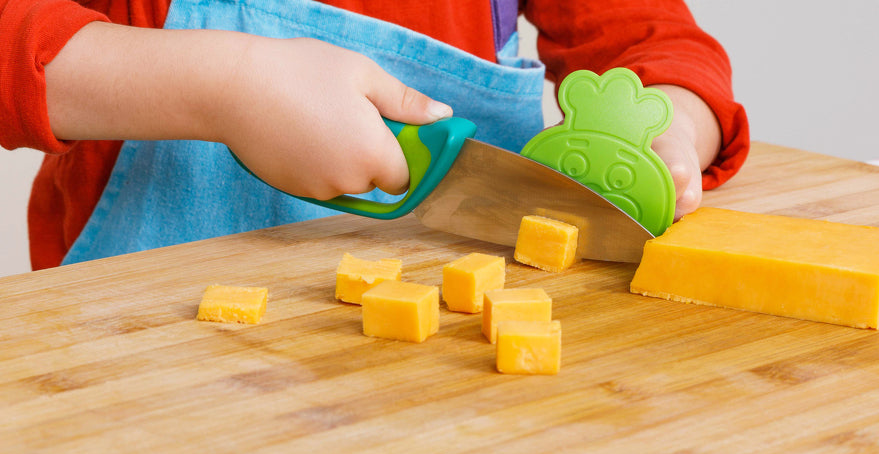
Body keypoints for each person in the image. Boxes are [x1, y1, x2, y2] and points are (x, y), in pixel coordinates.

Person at [0, 0, 749, 270]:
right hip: (142, 363)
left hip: (459, 369)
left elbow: (657, 41)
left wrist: (676, 124)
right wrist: (225, 85)